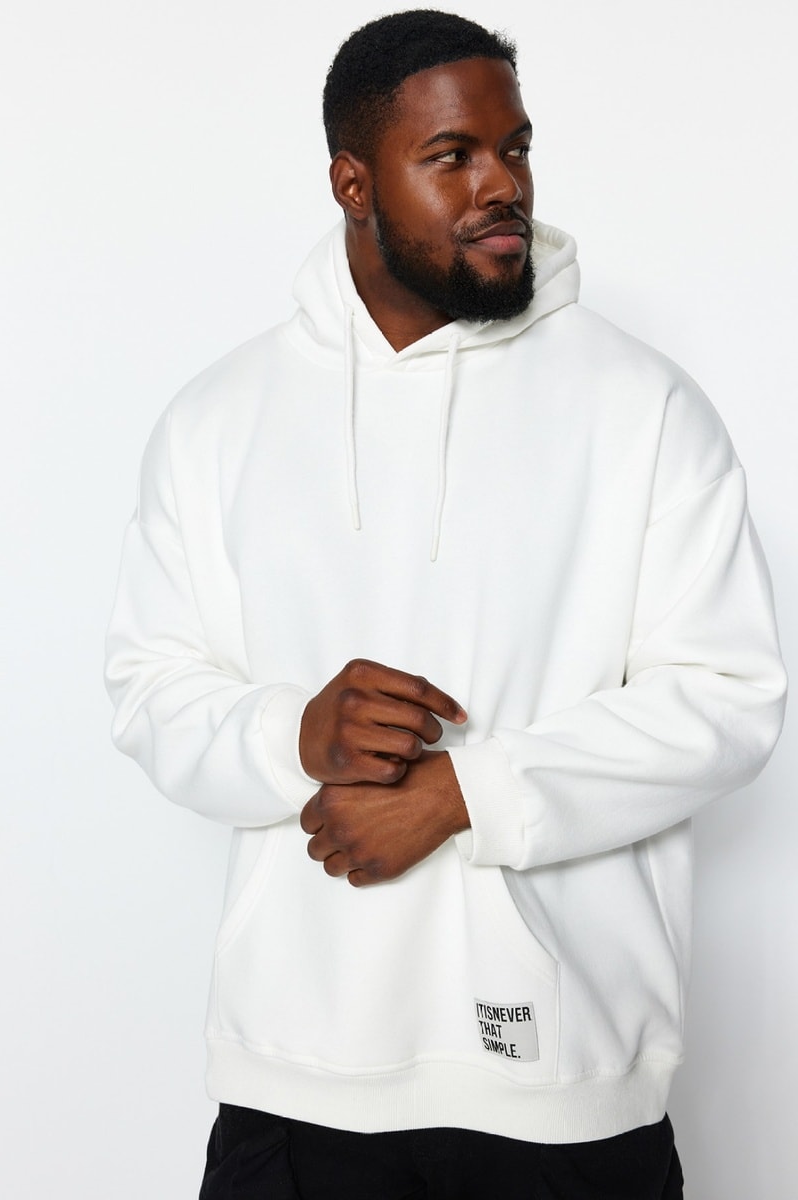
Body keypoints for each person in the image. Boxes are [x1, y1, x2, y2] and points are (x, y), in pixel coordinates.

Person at [105, 10, 786, 1198]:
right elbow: (147, 688)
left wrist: (466, 794)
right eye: (451, 156)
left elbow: (728, 699)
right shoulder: (218, 420)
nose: (500, 185)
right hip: (294, 1085)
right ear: (352, 183)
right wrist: (292, 734)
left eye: (513, 148)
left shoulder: (642, 409)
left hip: (565, 1095)